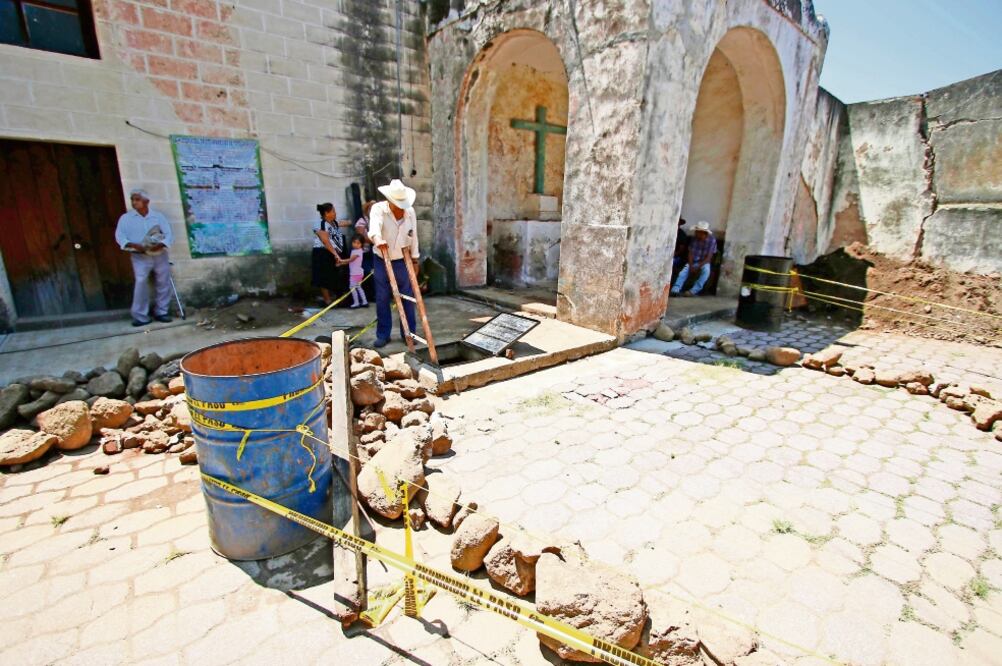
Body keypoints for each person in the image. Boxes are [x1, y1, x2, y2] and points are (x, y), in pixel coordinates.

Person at [368, 179, 419, 348]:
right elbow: (374, 228)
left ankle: (409, 334)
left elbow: (414, 236)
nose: (401, 207)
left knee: (408, 298)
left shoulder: (410, 212)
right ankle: (383, 334)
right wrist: (378, 240)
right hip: (382, 259)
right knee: (382, 298)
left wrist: (415, 259)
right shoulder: (378, 209)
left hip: (402, 260)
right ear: (390, 201)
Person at [115, 189, 174, 327]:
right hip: (139, 256)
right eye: (133, 199)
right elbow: (120, 236)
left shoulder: (158, 217)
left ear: (146, 201)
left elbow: (169, 234)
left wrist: (160, 245)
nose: (134, 202)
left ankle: (162, 311)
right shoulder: (126, 218)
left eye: (137, 199)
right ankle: (140, 316)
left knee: (163, 281)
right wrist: (133, 245)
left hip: (159, 254)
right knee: (141, 282)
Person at [670, 220, 717, 297]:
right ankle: (675, 289)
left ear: (703, 233)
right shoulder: (694, 239)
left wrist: (698, 266)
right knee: (683, 272)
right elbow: (690, 253)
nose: (695, 233)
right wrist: (691, 265)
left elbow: (709, 257)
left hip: (704, 262)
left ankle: (693, 291)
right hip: (693, 261)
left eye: (697, 232)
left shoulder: (712, 240)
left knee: (706, 271)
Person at [311, 203, 344, 305]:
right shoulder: (320, 224)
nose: (335, 213)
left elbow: (344, 223)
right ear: (326, 213)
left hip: (332, 252)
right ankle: (327, 300)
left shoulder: (333, 223)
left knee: (333, 274)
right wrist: (335, 254)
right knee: (323, 276)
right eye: (333, 211)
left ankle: (333, 297)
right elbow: (325, 241)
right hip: (322, 252)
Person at [354, 200, 376, 301]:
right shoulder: (361, 222)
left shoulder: (374, 221)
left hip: (373, 252)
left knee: (375, 273)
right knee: (367, 273)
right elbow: (362, 238)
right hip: (363, 253)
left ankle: (375, 295)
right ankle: (369, 296)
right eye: (371, 208)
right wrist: (377, 241)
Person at [340, 236, 369, 308]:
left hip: (355, 273)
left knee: (352, 287)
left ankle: (356, 303)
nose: (356, 244)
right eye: (354, 242)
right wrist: (341, 263)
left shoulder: (357, 252)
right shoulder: (356, 251)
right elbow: (350, 262)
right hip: (357, 272)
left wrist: (341, 261)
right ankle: (364, 302)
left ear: (361, 244)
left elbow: (351, 260)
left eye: (358, 243)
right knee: (358, 287)